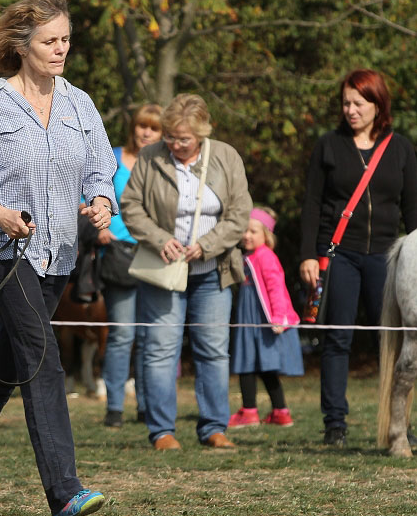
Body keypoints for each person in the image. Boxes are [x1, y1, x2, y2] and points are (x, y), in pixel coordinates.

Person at [0, 0, 116, 516]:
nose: (61, 50)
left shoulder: (80, 104)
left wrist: (101, 201)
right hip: (5, 254)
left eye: (65, 40)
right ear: (21, 46)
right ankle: (65, 492)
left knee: (3, 369)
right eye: (49, 41)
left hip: (59, 255)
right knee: (43, 358)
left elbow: (101, 168)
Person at [120, 93, 252, 450]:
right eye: (170, 137)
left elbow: (240, 213)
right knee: (161, 350)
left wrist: (207, 245)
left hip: (213, 271)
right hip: (165, 271)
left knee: (213, 349)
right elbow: (130, 206)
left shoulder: (225, 156)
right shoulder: (150, 157)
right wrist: (160, 239)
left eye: (184, 139)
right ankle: (162, 431)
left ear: (202, 134)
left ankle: (214, 427)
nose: (175, 144)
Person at [300, 68, 417, 447]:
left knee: (397, 343)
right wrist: (307, 255)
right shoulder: (329, 146)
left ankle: (400, 423)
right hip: (340, 254)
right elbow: (313, 204)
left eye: (358, 103)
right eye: (345, 103)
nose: (350, 110)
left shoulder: (399, 148)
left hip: (389, 256)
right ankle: (335, 423)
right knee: (338, 340)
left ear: (377, 104)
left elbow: (413, 210)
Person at [98, 104, 162, 428]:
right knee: (122, 334)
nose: (146, 133)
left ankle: (147, 405)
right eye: (142, 126)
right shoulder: (113, 156)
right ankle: (115, 406)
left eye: (153, 128)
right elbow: (92, 192)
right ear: (133, 128)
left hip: (154, 254)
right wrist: (100, 227)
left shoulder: (165, 162)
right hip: (119, 254)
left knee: (149, 336)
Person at [229, 207, 304, 428]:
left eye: (253, 231)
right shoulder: (248, 256)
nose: (247, 235)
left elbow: (276, 288)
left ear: (266, 236)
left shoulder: (265, 257)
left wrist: (279, 316)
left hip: (262, 319)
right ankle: (277, 411)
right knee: (256, 364)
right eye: (245, 231)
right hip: (248, 315)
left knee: (251, 363)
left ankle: (252, 411)